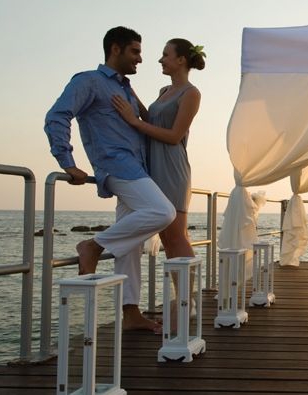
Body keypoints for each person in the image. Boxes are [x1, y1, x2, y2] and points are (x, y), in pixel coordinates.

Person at [45, 26, 176, 333]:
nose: (140, 59)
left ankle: (130, 314)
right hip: (117, 167)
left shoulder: (126, 88)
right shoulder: (88, 81)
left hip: (138, 167)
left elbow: (146, 123)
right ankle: (93, 245)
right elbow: (57, 116)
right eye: (135, 51)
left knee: (131, 246)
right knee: (163, 212)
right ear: (115, 49)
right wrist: (67, 162)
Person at [111, 38, 204, 261]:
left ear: (181, 60)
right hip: (154, 166)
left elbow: (174, 136)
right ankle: (182, 294)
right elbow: (152, 119)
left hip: (172, 168)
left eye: (165, 55)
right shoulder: (165, 90)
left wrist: (134, 121)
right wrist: (130, 93)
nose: (160, 60)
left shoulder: (191, 93)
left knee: (175, 236)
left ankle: (187, 296)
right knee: (166, 236)